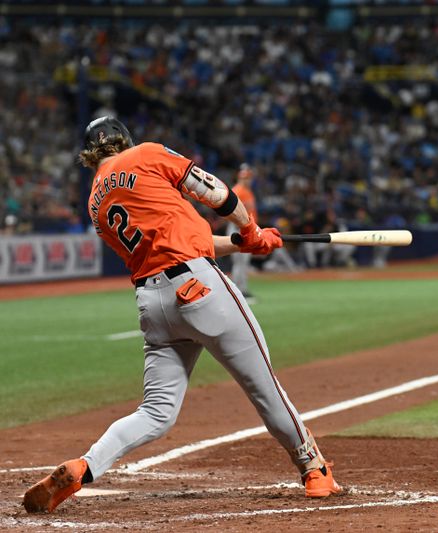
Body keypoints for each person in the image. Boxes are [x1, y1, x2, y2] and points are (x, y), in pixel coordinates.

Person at [23, 116, 341, 514]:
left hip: (153, 305)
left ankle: (84, 466)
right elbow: (216, 192)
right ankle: (314, 470)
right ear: (126, 139)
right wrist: (251, 228)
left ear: (90, 156)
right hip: (200, 288)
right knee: (264, 386)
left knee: (156, 412)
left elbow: (184, 240)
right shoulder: (146, 154)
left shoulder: (95, 203)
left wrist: (243, 244)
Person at [228, 163, 257, 300]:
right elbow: (232, 212)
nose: (247, 180)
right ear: (240, 178)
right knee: (239, 261)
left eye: (249, 177)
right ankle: (238, 291)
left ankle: (242, 289)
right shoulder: (237, 191)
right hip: (238, 228)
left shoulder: (248, 191)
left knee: (244, 262)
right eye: (245, 178)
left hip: (247, 228)